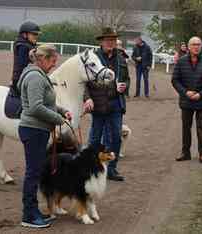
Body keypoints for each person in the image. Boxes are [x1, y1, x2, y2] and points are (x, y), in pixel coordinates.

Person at [18, 44, 72, 228]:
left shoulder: (38, 75)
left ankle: (33, 210)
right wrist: (57, 118)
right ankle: (28, 215)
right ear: (42, 59)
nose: (54, 64)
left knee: (35, 172)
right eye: (52, 60)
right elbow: (35, 107)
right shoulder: (34, 77)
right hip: (34, 130)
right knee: (33, 174)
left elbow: (46, 104)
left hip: (37, 130)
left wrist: (62, 111)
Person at [83, 28, 129, 182]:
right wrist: (87, 98)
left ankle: (111, 169)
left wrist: (124, 86)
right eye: (108, 40)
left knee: (116, 137)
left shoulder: (121, 58)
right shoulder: (93, 58)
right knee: (95, 139)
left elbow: (127, 79)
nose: (111, 43)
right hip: (99, 103)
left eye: (113, 40)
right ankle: (91, 167)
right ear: (101, 41)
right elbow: (85, 82)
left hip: (116, 103)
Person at [171, 36, 202, 163]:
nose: (196, 47)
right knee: (186, 127)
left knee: (200, 126)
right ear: (189, 47)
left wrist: (201, 94)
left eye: (198, 44)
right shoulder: (181, 61)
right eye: (194, 44)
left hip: (201, 100)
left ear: (201, 47)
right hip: (186, 100)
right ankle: (185, 152)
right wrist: (185, 92)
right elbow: (175, 80)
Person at [5, 21, 41, 119]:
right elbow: (24, 65)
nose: (36, 36)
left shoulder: (29, 45)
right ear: (25, 35)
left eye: (37, 34)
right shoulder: (23, 46)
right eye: (34, 34)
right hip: (20, 79)